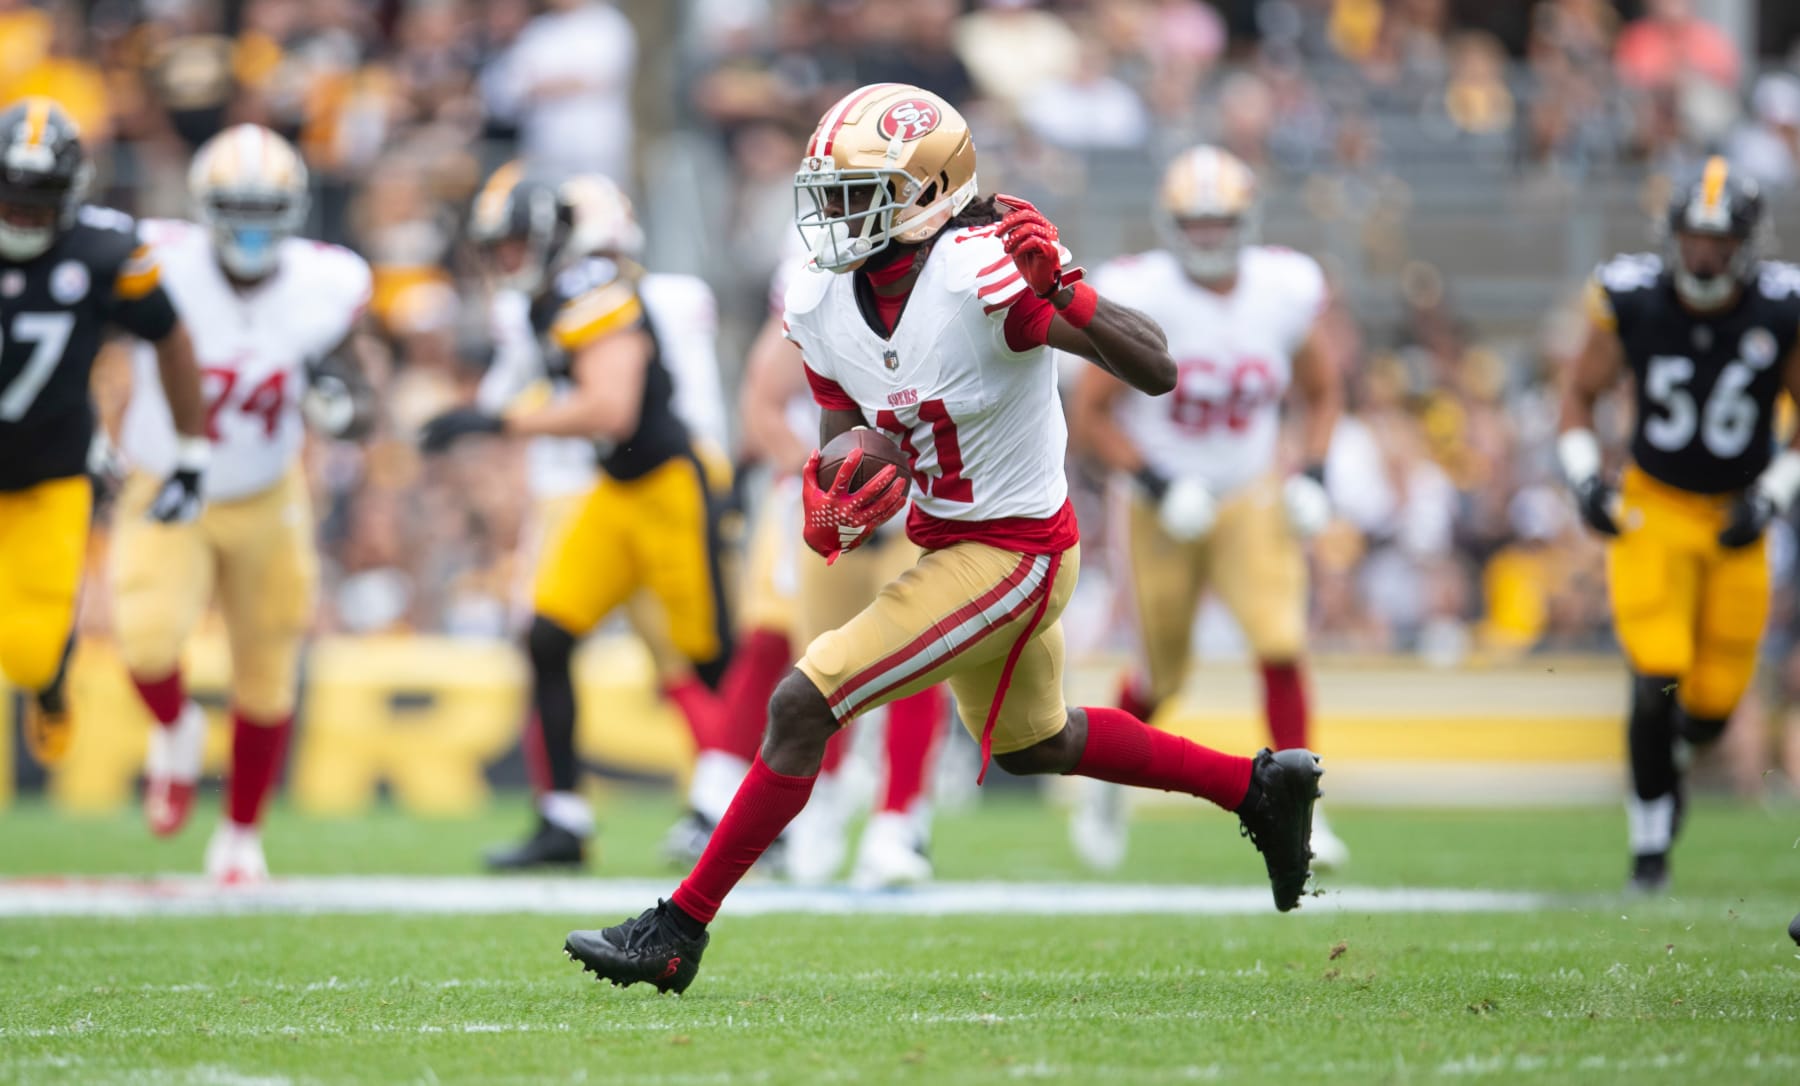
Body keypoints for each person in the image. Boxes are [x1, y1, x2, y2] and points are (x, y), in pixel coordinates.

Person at [563, 84, 1324, 995]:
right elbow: (843, 431)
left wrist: (1071, 297)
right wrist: (837, 492)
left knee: (806, 702)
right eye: (829, 192)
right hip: (953, 545)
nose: (834, 213)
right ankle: (1260, 787)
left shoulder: (987, 273)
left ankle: (678, 929)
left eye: (858, 192)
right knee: (1033, 741)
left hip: (1018, 552)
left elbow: (1156, 369)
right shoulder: (818, 295)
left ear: (928, 193)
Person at [421, 166, 732, 870]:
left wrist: (496, 420)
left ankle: (751, 811)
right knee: (549, 636)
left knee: (711, 658)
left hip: (669, 488)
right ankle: (563, 817)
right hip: (615, 489)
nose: (505, 257)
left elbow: (610, 409)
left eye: (514, 241)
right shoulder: (552, 296)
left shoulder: (591, 287)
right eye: (497, 244)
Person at [1066, 145, 1348, 873]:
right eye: (1194, 224)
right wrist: (1157, 483)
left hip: (1250, 486)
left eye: (1220, 222)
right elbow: (1091, 416)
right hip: (1161, 502)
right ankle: (1104, 789)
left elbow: (1321, 391)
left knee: (1281, 640)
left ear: (1247, 221)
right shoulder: (1143, 291)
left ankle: (1303, 807)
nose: (1208, 238)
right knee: (1162, 676)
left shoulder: (1283, 290)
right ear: (1170, 224)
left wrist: (1313, 472)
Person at [113, 124, 374, 882]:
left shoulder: (327, 284)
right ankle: (176, 727)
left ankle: (241, 833)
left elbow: (360, 395)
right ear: (205, 207)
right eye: (238, 207)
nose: (253, 227)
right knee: (146, 640)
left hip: (266, 490)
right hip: (167, 479)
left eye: (268, 208)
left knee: (267, 665)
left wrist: (342, 408)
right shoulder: (157, 260)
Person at [1558, 156, 1800, 894]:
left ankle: (1676, 764)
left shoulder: (1781, 308)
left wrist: (1773, 495)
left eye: (1719, 240)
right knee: (1656, 675)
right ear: (1672, 235)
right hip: (1654, 509)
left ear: (1746, 244)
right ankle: (1650, 850)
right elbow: (1579, 393)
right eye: (1693, 235)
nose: (1703, 253)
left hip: (1735, 517)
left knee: (1713, 708)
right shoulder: (1631, 298)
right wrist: (1582, 477)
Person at [723, 266, 948, 889]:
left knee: (918, 659)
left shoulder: (942, 288)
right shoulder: (814, 294)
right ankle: (816, 809)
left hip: (918, 508)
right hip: (833, 516)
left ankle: (898, 819)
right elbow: (762, 406)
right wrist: (834, 485)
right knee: (820, 669)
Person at [0, 97, 208, 766]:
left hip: (49, 470)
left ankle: (52, 678)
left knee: (27, 653)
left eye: (40, 200)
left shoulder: (106, 250)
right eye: (12, 198)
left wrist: (191, 450)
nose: (24, 215)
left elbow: (170, 338)